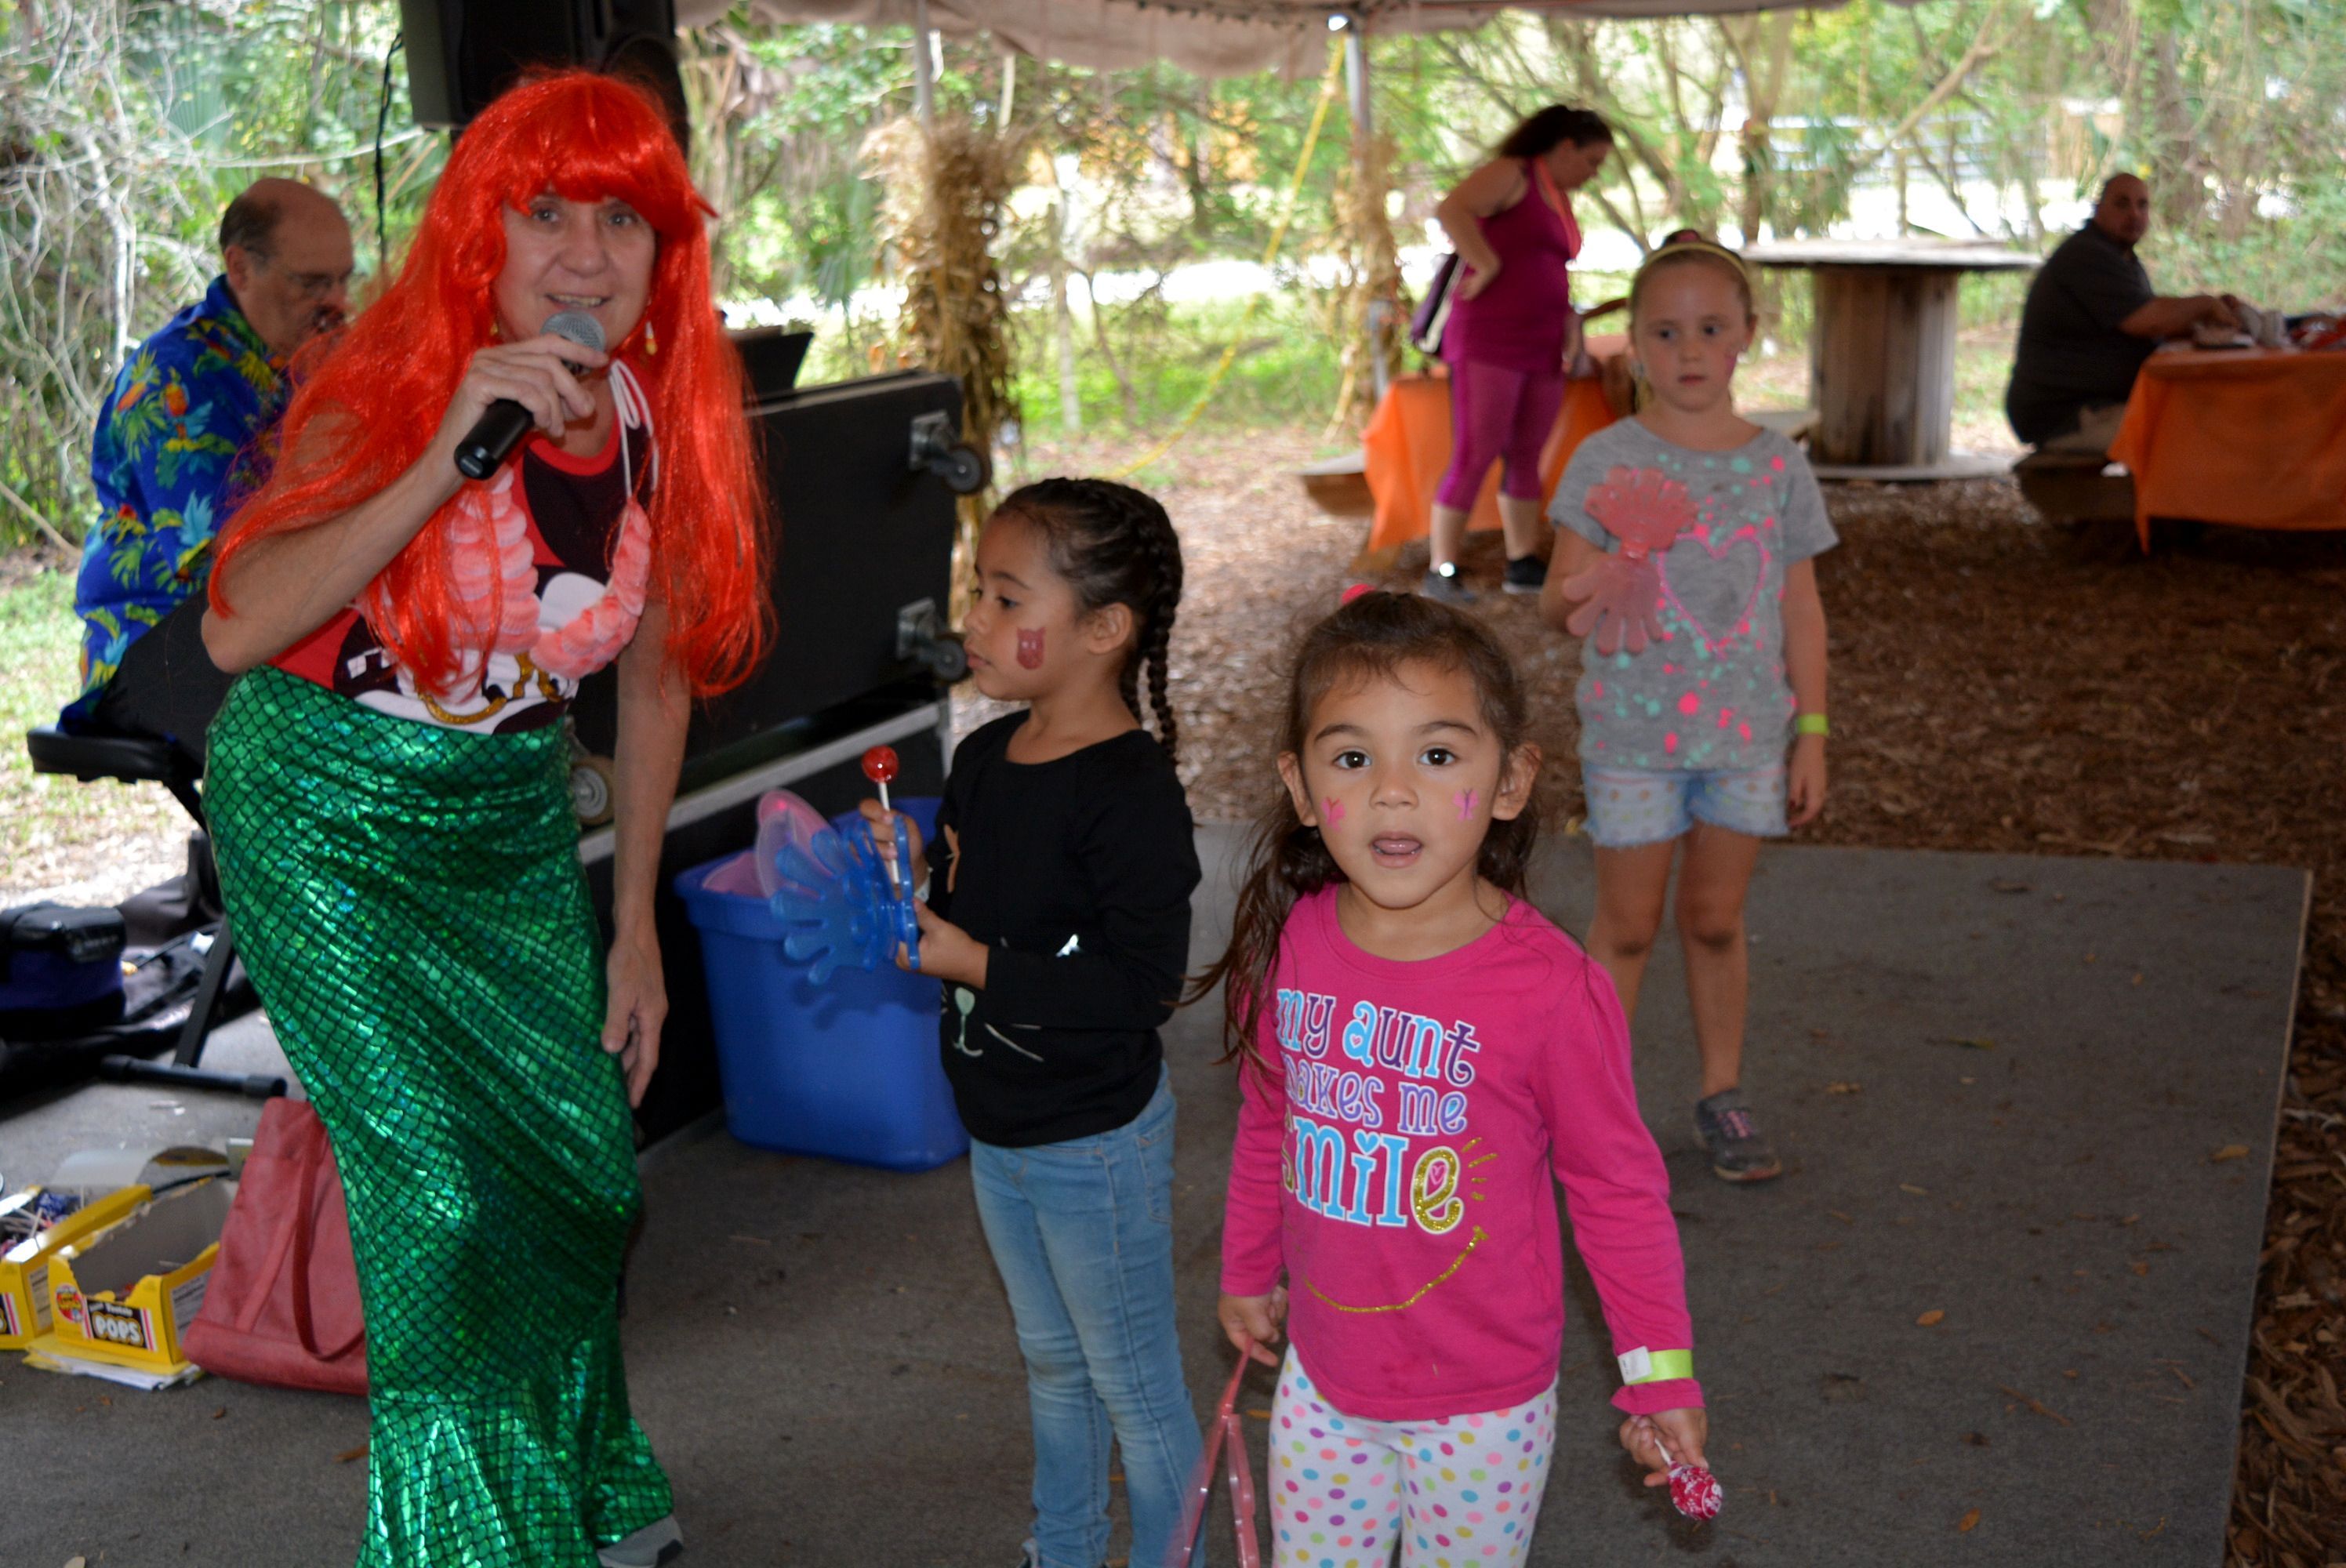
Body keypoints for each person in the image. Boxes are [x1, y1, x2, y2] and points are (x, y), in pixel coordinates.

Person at [198, 71, 769, 1568]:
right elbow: (237, 628)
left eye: (622, 221)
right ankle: (465, 1543)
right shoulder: (382, 385)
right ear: (481, 237)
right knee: (442, 1204)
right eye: (545, 213)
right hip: (324, 811)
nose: (584, 255)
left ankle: (577, 1476)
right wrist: (448, 450)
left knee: (580, 1165)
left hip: (505, 814)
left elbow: (653, 683)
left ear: (664, 254)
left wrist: (634, 928)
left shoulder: (653, 419)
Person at [1202, 590, 1707, 1568]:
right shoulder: (1296, 942)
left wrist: (1660, 1374)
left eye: (1436, 755)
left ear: (1509, 779)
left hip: (1483, 1406)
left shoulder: (1551, 988)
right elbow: (1271, 1119)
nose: (1394, 792)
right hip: (1323, 1382)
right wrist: (1246, 1268)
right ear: (1301, 787)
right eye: (1353, 758)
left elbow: (1615, 1190)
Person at [862, 478, 1200, 1568]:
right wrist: (913, 877)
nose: (975, 619)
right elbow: (974, 909)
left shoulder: (1130, 794)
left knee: (1134, 1383)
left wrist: (971, 962)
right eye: (979, 591)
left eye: (1008, 599)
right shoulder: (981, 758)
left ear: (1103, 630)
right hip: (999, 1122)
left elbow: (1140, 986)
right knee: (1053, 1362)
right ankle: (1063, 1548)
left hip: (1093, 1140)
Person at [1537, 241, 1834, 1185]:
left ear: (1747, 334)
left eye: (1711, 328)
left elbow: (1800, 606)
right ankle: (1590, 1110)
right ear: (1634, 343)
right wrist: (1605, 570)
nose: (1690, 349)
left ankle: (1722, 1091)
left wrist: (1812, 733)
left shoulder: (1776, 464)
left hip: (1745, 739)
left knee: (1713, 918)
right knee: (1625, 926)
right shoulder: (1605, 459)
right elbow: (1551, 602)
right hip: (1631, 738)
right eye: (1665, 333)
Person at [66, 178, 354, 764]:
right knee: (364, 744)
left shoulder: (302, 356)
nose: (337, 303)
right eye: (312, 283)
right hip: (160, 652)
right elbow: (239, 561)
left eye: (344, 280)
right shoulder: (177, 376)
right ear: (241, 268)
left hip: (276, 635)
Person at [1425, 105, 1613, 604]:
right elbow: (1451, 209)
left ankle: (1523, 560)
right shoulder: (1514, 173)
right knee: (1477, 450)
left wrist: (1571, 331)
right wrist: (1485, 264)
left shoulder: (1560, 198)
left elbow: (1547, 269)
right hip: (1490, 339)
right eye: (1591, 161)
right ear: (1566, 147)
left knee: (1529, 453)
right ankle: (1442, 567)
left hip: (1542, 343)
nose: (1593, 174)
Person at [2005, 172, 2240, 452]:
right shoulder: (2087, 255)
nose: (2134, 214)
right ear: (2098, 209)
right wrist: (2205, 305)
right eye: (2122, 204)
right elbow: (2148, 321)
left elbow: (2150, 320)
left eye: (2142, 205)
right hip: (2064, 414)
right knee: (2191, 434)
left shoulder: (2121, 258)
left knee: (2201, 416)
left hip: (2096, 405)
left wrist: (2203, 318)